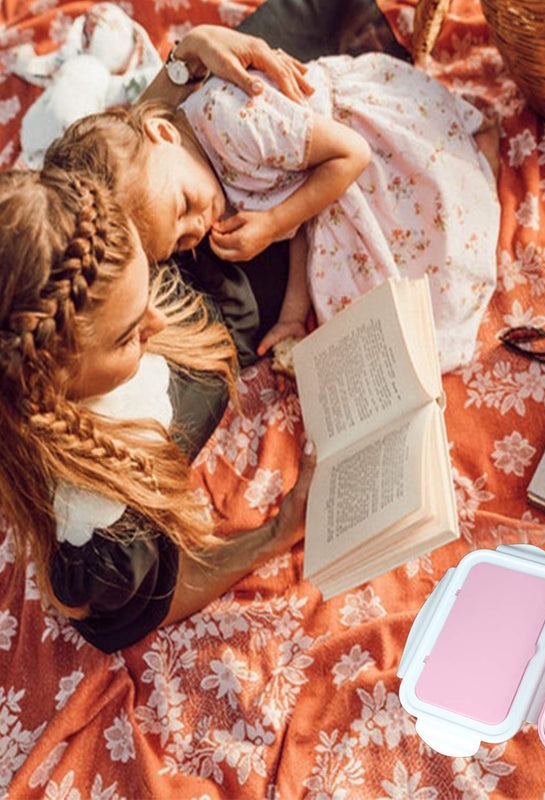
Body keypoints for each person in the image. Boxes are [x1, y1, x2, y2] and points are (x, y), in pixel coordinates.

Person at [0, 167, 316, 653]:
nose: (159, 320)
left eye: (147, 282)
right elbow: (156, 600)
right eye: (128, 335)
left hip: (241, 270)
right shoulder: (102, 537)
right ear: (52, 382)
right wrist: (279, 530)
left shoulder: (74, 241)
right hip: (243, 315)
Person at [45, 52, 501, 373]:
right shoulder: (197, 176)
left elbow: (352, 154)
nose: (197, 226)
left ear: (163, 132)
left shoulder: (233, 122)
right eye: (182, 240)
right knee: (372, 319)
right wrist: (290, 314)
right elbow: (300, 217)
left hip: (360, 144)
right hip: (324, 181)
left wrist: (272, 223)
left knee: (443, 237)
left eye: (184, 207)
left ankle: (478, 154)